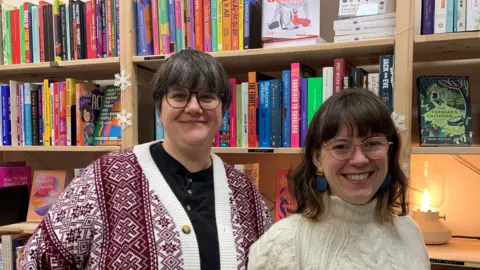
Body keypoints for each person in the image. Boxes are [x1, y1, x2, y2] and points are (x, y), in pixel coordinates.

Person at [20, 49, 273, 270]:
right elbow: (37, 260)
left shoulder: (245, 194)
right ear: (159, 109)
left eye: (207, 97)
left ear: (223, 110)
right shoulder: (104, 179)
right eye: (179, 95)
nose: (194, 107)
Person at [248, 89, 430, 269]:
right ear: (317, 157)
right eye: (341, 146)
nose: (359, 159)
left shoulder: (410, 232)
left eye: (373, 143)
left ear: (389, 152)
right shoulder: (282, 244)